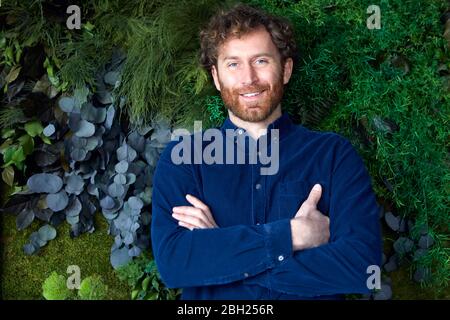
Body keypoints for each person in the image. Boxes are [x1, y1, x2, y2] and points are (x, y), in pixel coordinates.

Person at [151, 4, 382, 300]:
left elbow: (362, 267)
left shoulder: (333, 155)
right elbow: (175, 264)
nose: (248, 78)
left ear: (285, 69)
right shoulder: (185, 158)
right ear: (217, 76)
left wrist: (219, 251)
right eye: (233, 64)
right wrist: (292, 236)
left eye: (260, 61)